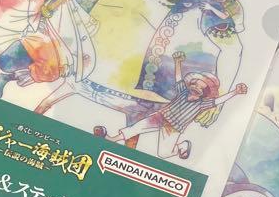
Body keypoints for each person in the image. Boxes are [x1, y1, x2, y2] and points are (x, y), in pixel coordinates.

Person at [104, 51, 248, 159]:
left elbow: (218, 101)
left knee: (163, 154)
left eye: (201, 87)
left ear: (205, 92)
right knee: (135, 128)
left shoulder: (202, 104)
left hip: (173, 128)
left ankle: (181, 146)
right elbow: (178, 78)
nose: (196, 87)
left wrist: (235, 92)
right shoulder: (183, 91)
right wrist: (178, 62)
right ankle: (111, 139)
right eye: (195, 84)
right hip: (160, 116)